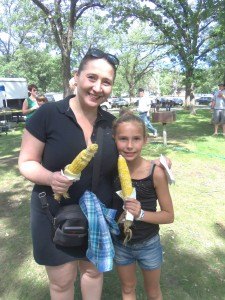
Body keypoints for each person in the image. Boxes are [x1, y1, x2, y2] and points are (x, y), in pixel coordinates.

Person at [18, 48, 171, 300]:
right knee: (62, 281)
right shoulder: (48, 114)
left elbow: (127, 160)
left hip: (98, 214)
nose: (98, 87)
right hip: (53, 212)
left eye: (106, 82)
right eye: (92, 77)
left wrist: (157, 163)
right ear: (77, 77)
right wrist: (51, 178)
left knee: (93, 272)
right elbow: (26, 162)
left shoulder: (111, 124)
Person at [112, 112, 174, 300]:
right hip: (121, 244)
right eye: (123, 139)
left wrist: (139, 214)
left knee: (153, 292)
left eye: (136, 139)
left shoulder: (155, 174)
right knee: (128, 289)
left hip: (149, 244)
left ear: (145, 140)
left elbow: (168, 215)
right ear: (114, 139)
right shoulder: (111, 171)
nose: (129, 146)